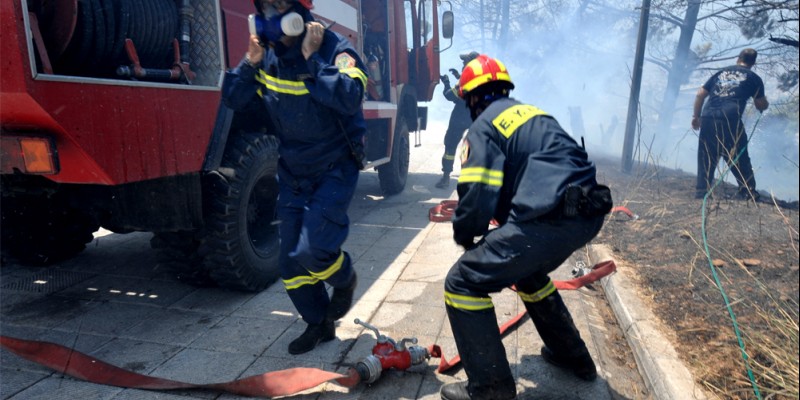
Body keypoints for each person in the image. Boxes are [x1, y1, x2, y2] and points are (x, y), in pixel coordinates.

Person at [439, 55, 613, 400]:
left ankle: (491, 390)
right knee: (528, 271)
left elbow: (476, 192)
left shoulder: (482, 127)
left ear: (471, 97)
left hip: (546, 220)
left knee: (461, 282)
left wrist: (465, 234)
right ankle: (572, 356)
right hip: (588, 213)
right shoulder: (534, 114)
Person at [222, 0, 366, 355]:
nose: (271, 16)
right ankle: (319, 323)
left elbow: (351, 97)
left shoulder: (335, 48)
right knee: (289, 261)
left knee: (314, 248)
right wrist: (249, 63)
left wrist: (313, 59)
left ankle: (344, 276)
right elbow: (232, 98)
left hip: (334, 166)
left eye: (279, 6)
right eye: (265, 6)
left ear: (299, 13)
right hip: (293, 169)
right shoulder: (267, 55)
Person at [691, 48, 769, 200]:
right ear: (753, 62)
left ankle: (702, 192)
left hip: (709, 116)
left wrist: (696, 116)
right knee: (738, 154)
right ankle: (747, 191)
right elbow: (760, 104)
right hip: (730, 118)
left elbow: (700, 94)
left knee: (706, 155)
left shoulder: (721, 73)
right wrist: (764, 104)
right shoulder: (754, 78)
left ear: (738, 58)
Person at [435, 51, 480, 189]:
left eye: (465, 61)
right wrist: (458, 77)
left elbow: (451, 96)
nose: (463, 64)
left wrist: (447, 83)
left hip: (459, 119)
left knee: (450, 148)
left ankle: (445, 179)